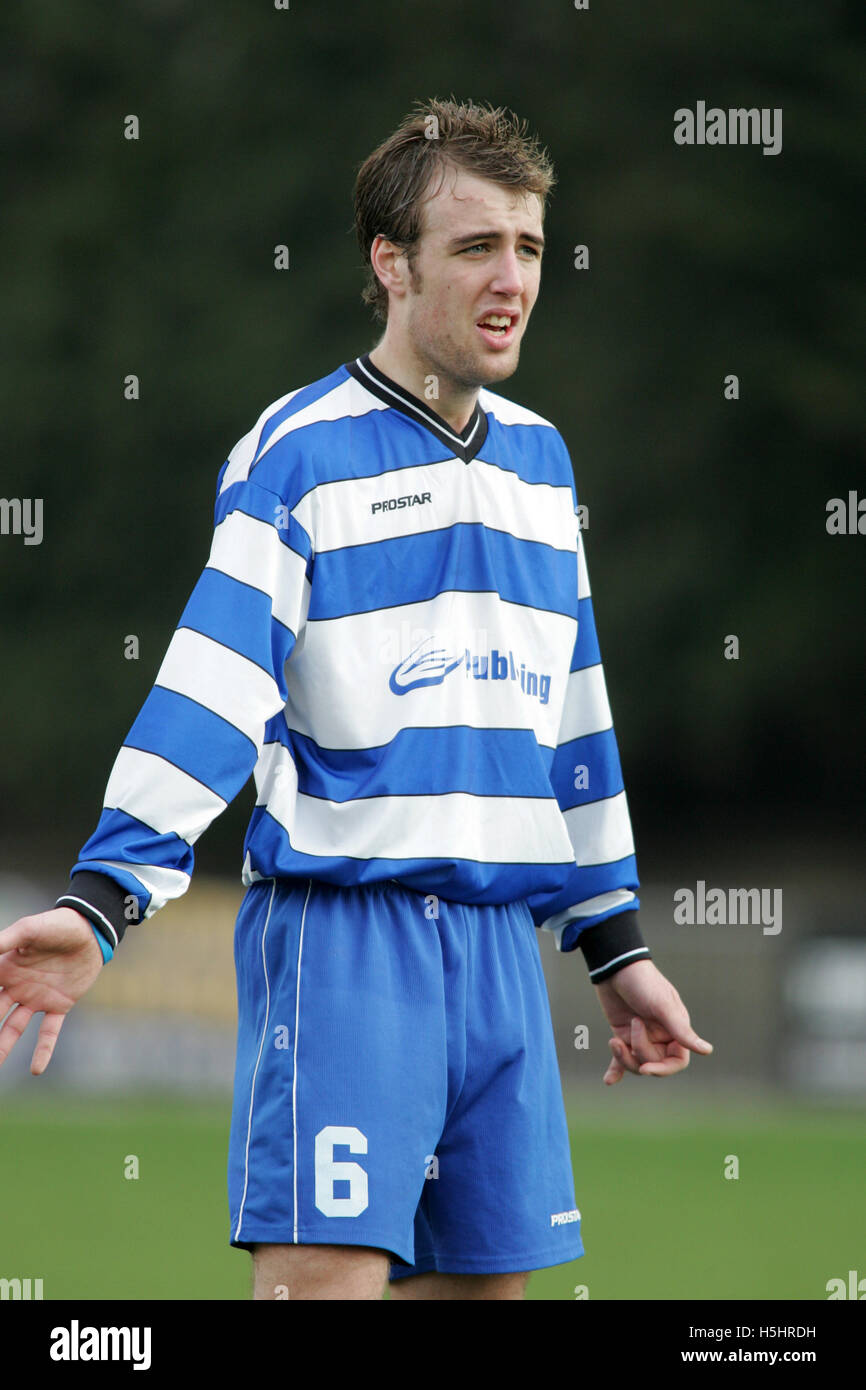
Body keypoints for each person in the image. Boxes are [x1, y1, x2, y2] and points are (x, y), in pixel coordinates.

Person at [0, 98, 712, 1301]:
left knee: (486, 1290)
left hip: (495, 958)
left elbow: (570, 720)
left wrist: (613, 942)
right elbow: (212, 685)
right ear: (390, 265)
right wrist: (105, 896)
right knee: (320, 1287)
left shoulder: (543, 466)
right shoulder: (296, 455)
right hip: (345, 942)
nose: (511, 280)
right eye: (474, 247)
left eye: (529, 247)